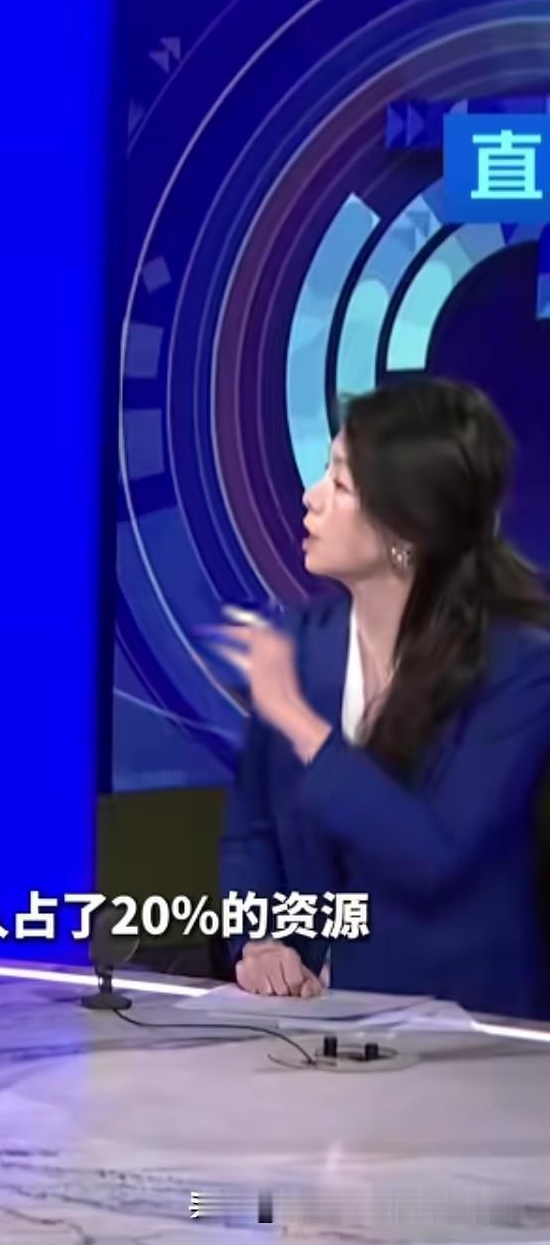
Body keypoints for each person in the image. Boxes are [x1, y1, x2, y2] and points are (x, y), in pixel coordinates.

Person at [216, 377, 550, 1019]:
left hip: (475, 1034)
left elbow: (435, 855)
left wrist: (302, 726)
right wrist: (259, 940)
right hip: (311, 1029)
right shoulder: (298, 648)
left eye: (340, 484)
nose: (311, 497)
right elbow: (250, 833)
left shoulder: (521, 672)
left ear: (407, 528)